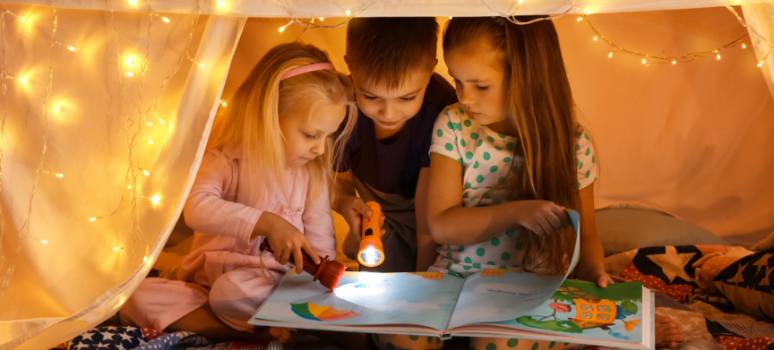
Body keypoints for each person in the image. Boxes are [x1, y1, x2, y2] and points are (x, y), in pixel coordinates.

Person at [119, 42, 357, 341]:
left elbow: (320, 240)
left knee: (231, 292)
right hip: (204, 284)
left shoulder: (312, 173)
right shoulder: (224, 159)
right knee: (133, 294)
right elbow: (198, 207)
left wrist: (319, 271)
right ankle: (256, 331)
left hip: (264, 285)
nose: (320, 148)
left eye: (328, 136)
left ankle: (255, 326)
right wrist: (267, 222)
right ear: (268, 117)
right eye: (310, 135)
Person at [335, 17, 457, 273]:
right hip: (377, 215)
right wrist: (346, 203)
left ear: (430, 70)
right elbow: (339, 182)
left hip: (435, 213)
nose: (388, 113)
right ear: (350, 66)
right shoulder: (341, 108)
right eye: (370, 96)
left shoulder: (440, 109)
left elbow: (428, 221)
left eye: (407, 97)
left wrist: (424, 277)